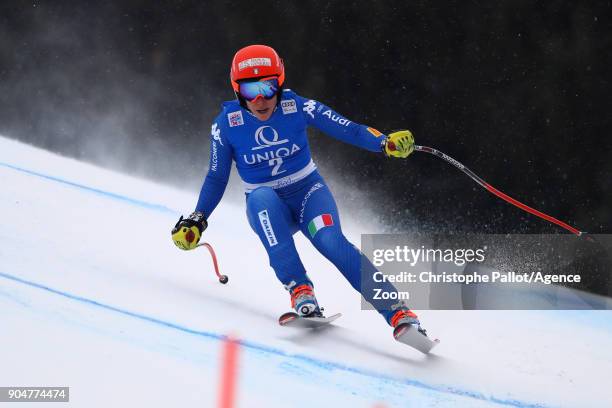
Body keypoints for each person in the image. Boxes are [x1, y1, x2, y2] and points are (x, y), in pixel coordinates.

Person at [171, 44, 427, 338]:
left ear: (280, 83)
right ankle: (301, 291)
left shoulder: (297, 107)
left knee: (331, 241)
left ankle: (399, 313)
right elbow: (216, 177)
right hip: (268, 206)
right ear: (236, 90)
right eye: (249, 89)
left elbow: (349, 129)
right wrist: (197, 218)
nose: (259, 99)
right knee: (262, 198)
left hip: (308, 195)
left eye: (267, 87)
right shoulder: (226, 126)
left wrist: (384, 143)